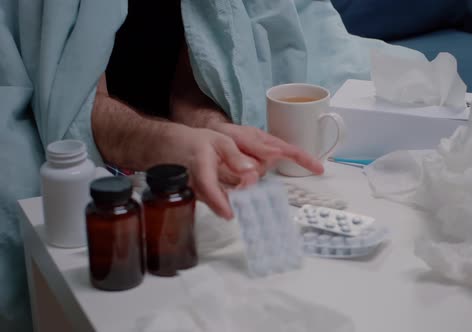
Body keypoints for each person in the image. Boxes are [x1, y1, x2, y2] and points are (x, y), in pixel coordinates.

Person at [93, 0, 323, 220]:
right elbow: (77, 105)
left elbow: (189, 88)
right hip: (99, 167)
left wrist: (215, 128)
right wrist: (166, 142)